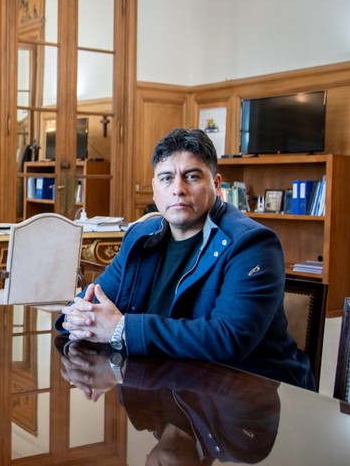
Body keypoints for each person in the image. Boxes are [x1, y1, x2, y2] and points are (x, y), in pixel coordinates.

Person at [58, 127, 315, 390]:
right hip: (163, 387)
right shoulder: (141, 237)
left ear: (216, 185)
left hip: (242, 397)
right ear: (154, 188)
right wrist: (77, 317)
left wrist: (121, 329)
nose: (178, 189)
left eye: (191, 176)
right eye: (167, 178)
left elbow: (228, 339)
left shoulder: (252, 244)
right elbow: (92, 298)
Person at [57, 338, 280, 465]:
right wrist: (125, 369)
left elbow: (110, 344)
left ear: (145, 461)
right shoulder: (241, 446)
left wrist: (76, 357)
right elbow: (240, 383)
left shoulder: (138, 411)